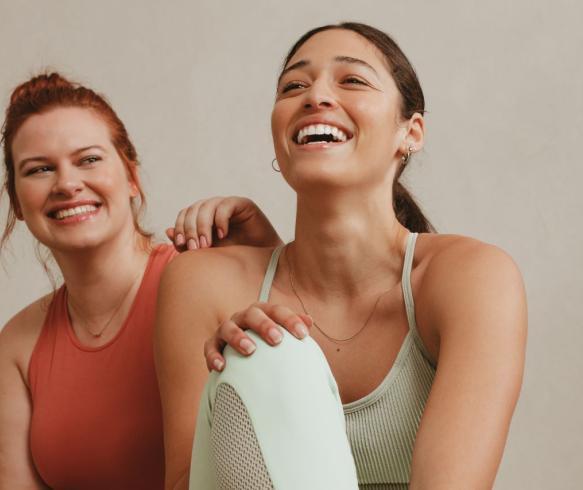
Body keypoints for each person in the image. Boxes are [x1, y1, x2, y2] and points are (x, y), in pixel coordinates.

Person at [156, 22, 527, 489]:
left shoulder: (471, 277)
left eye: (352, 80)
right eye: (294, 86)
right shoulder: (201, 282)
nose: (315, 97)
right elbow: (188, 482)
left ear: (410, 132)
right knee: (264, 353)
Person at [0, 73, 281, 489]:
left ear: (131, 176)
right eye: (40, 169)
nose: (67, 184)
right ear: (18, 203)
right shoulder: (17, 344)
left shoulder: (201, 279)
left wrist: (267, 250)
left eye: (88, 159)